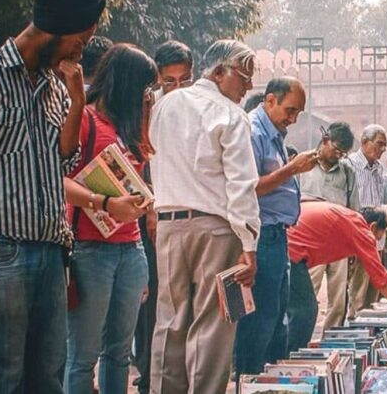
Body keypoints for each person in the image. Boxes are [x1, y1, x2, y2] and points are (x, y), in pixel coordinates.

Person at [0, 0, 104, 392]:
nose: (80, 49)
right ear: (58, 25)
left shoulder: (56, 85)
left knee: (48, 379)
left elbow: (62, 159)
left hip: (52, 252)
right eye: (81, 39)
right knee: (5, 379)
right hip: (2, 255)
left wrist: (76, 103)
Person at [149, 40, 260, 394]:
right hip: (217, 230)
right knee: (213, 323)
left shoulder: (162, 106)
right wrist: (249, 245)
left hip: (168, 226)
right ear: (219, 72)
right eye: (243, 77)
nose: (248, 87)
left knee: (170, 320)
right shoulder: (230, 115)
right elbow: (241, 184)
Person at [63, 44, 156, 394]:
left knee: (119, 353)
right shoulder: (85, 119)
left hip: (131, 249)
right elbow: (61, 180)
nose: (149, 95)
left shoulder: (131, 127)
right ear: (126, 82)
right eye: (145, 86)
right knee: (83, 356)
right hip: (90, 249)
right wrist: (103, 201)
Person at [234, 76, 318, 376]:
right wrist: (292, 168)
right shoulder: (253, 132)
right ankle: (249, 377)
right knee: (261, 319)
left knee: (277, 316)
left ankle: (266, 377)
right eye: (290, 110)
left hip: (277, 235)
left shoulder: (273, 133)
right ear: (270, 100)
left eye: (298, 113)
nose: (293, 119)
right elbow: (249, 187)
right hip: (261, 235)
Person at [133, 41, 194, 394]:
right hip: (154, 217)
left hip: (191, 218)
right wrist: (153, 210)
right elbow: (143, 157)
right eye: (168, 81)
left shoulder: (199, 106)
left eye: (183, 80)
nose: (176, 88)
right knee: (156, 303)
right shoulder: (148, 106)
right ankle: (148, 378)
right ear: (157, 79)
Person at [286, 202, 387, 352]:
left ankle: (277, 355)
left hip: (285, 241)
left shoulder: (349, 219)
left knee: (285, 309)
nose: (374, 242)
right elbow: (381, 279)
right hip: (291, 250)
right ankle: (290, 356)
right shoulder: (361, 230)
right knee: (306, 310)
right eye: (378, 237)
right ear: (373, 227)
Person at [299, 122, 358, 331]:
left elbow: (354, 211)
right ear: (325, 141)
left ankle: (332, 337)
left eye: (343, 153)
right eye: (336, 150)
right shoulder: (302, 166)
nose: (338, 156)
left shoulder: (347, 173)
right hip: (309, 242)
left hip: (338, 242)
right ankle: (301, 336)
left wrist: (353, 248)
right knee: (307, 293)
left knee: (339, 295)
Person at [345, 124, 387, 317]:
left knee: (375, 281)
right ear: (364, 142)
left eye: (384, 145)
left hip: (376, 231)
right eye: (379, 144)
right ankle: (355, 318)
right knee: (358, 280)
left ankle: (370, 318)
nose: (382, 149)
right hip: (358, 229)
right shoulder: (350, 165)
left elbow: (380, 199)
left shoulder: (379, 169)